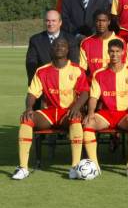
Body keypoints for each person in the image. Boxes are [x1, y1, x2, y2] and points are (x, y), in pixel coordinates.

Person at [12, 38, 89, 180]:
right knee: (26, 119)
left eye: (63, 45)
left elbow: (85, 92)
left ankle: (75, 167)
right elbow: (32, 93)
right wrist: (29, 108)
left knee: (76, 119)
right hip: (49, 113)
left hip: (67, 112)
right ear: (51, 49)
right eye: (56, 45)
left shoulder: (77, 70)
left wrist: (77, 107)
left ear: (68, 50)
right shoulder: (42, 71)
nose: (59, 47)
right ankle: (23, 168)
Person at [82, 39, 128, 178]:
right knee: (88, 124)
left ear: (123, 52)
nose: (114, 54)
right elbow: (93, 97)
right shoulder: (99, 73)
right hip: (106, 114)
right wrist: (91, 112)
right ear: (108, 52)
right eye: (112, 51)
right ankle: (95, 166)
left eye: (117, 51)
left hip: (124, 114)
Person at [26, 10, 79, 84]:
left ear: (60, 22)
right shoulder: (35, 40)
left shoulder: (71, 39)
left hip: (65, 86)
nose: (50, 24)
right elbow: (31, 65)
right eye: (48, 21)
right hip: (43, 85)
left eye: (53, 21)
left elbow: (74, 64)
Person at [79, 10, 125, 77]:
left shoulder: (120, 41)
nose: (101, 24)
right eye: (98, 21)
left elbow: (124, 66)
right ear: (94, 22)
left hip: (114, 83)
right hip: (94, 83)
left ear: (109, 22)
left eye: (104, 21)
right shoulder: (86, 43)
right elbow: (82, 69)